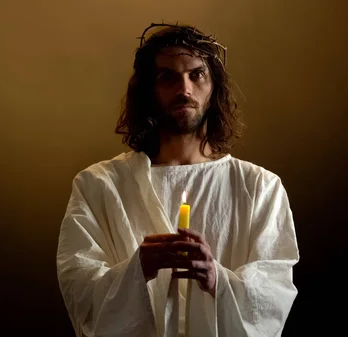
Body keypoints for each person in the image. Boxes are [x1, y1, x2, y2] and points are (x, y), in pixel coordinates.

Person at [56, 22, 299, 337]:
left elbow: (274, 293)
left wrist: (217, 281)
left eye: (196, 74)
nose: (184, 90)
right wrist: (137, 270)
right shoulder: (99, 185)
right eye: (167, 76)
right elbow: (81, 289)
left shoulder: (260, 187)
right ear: (149, 90)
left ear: (214, 88)